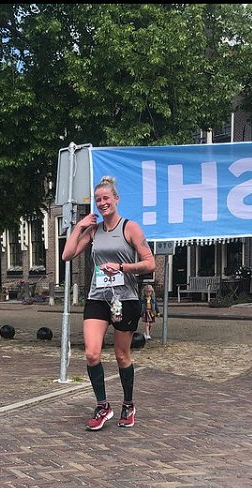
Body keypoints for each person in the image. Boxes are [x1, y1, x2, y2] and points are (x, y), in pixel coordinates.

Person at [62, 175, 156, 430]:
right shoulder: (94, 230)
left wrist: (122, 267)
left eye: (106, 198)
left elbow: (150, 263)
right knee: (92, 353)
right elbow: (67, 255)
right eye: (98, 200)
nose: (102, 203)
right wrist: (80, 226)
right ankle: (103, 406)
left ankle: (128, 404)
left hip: (125, 299)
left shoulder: (130, 228)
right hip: (98, 297)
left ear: (116, 199)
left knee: (121, 355)